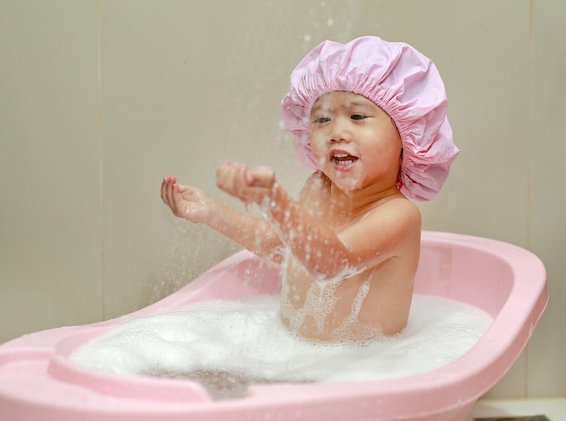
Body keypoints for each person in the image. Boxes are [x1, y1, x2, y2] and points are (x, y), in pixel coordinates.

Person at [161, 36, 459, 343]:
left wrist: (274, 201)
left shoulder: (398, 215)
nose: (336, 132)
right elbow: (286, 246)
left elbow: (332, 264)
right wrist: (211, 213)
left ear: (405, 140)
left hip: (362, 371)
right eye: (322, 119)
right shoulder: (319, 186)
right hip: (297, 356)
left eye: (357, 116)